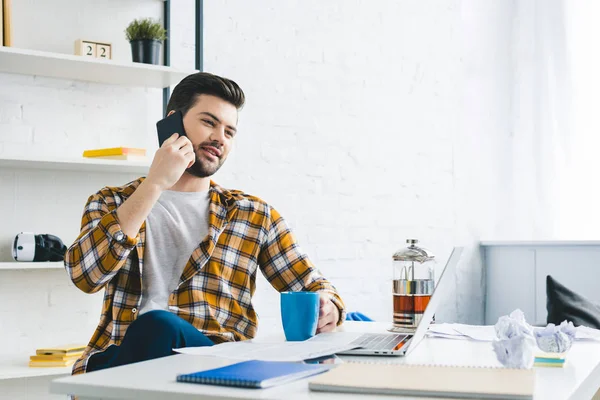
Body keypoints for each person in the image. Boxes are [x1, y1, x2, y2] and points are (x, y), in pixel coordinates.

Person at [65, 72, 346, 375]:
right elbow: (86, 276)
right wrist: (155, 183)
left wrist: (329, 305)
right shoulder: (111, 203)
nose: (220, 139)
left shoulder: (253, 215)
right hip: (128, 358)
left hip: (214, 365)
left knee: (160, 325)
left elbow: (314, 286)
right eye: (209, 123)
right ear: (173, 122)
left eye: (229, 132)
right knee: (150, 331)